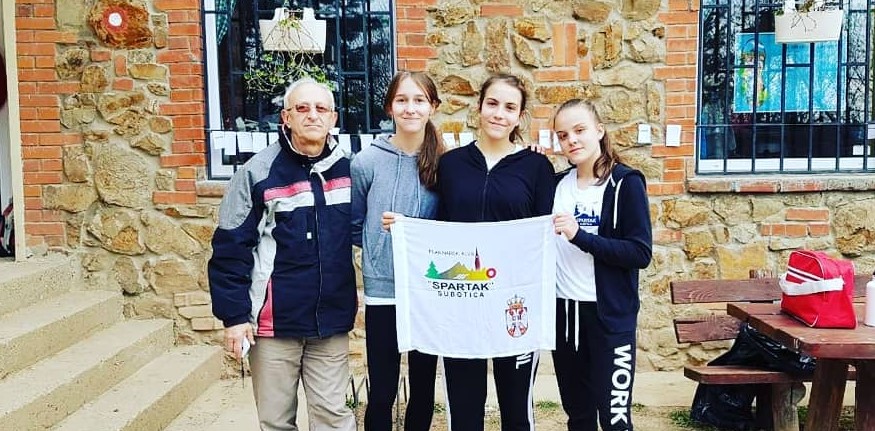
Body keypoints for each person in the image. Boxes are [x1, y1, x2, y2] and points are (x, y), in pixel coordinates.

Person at [208, 77, 357, 431]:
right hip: (273, 325)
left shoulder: (351, 170)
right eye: (302, 108)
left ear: (333, 118)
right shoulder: (257, 173)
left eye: (321, 108)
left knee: (334, 418)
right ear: (286, 118)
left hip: (330, 323)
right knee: (276, 422)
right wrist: (234, 318)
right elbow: (230, 250)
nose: (312, 115)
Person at [435, 73, 556, 431]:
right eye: (492, 104)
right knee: (464, 411)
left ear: (520, 117)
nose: (499, 114)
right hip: (463, 300)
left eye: (509, 107)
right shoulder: (451, 164)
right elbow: (438, 228)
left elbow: (545, 236)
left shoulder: (537, 167)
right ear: (479, 107)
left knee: (516, 411)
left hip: (515, 304)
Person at [550, 99, 652, 431]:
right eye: (563, 135)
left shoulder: (625, 183)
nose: (571, 140)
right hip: (566, 315)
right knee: (578, 416)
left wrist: (581, 236)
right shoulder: (555, 185)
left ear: (599, 130)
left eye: (579, 130)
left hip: (610, 317)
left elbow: (640, 253)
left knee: (615, 419)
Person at [351, 71, 442, 431]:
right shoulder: (366, 162)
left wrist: (413, 231)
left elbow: (452, 224)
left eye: (419, 100)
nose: (410, 108)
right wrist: (380, 244)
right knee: (382, 389)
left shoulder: (445, 163)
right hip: (383, 290)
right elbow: (356, 223)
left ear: (433, 107)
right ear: (390, 107)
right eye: (402, 100)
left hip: (427, 289)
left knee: (423, 387)